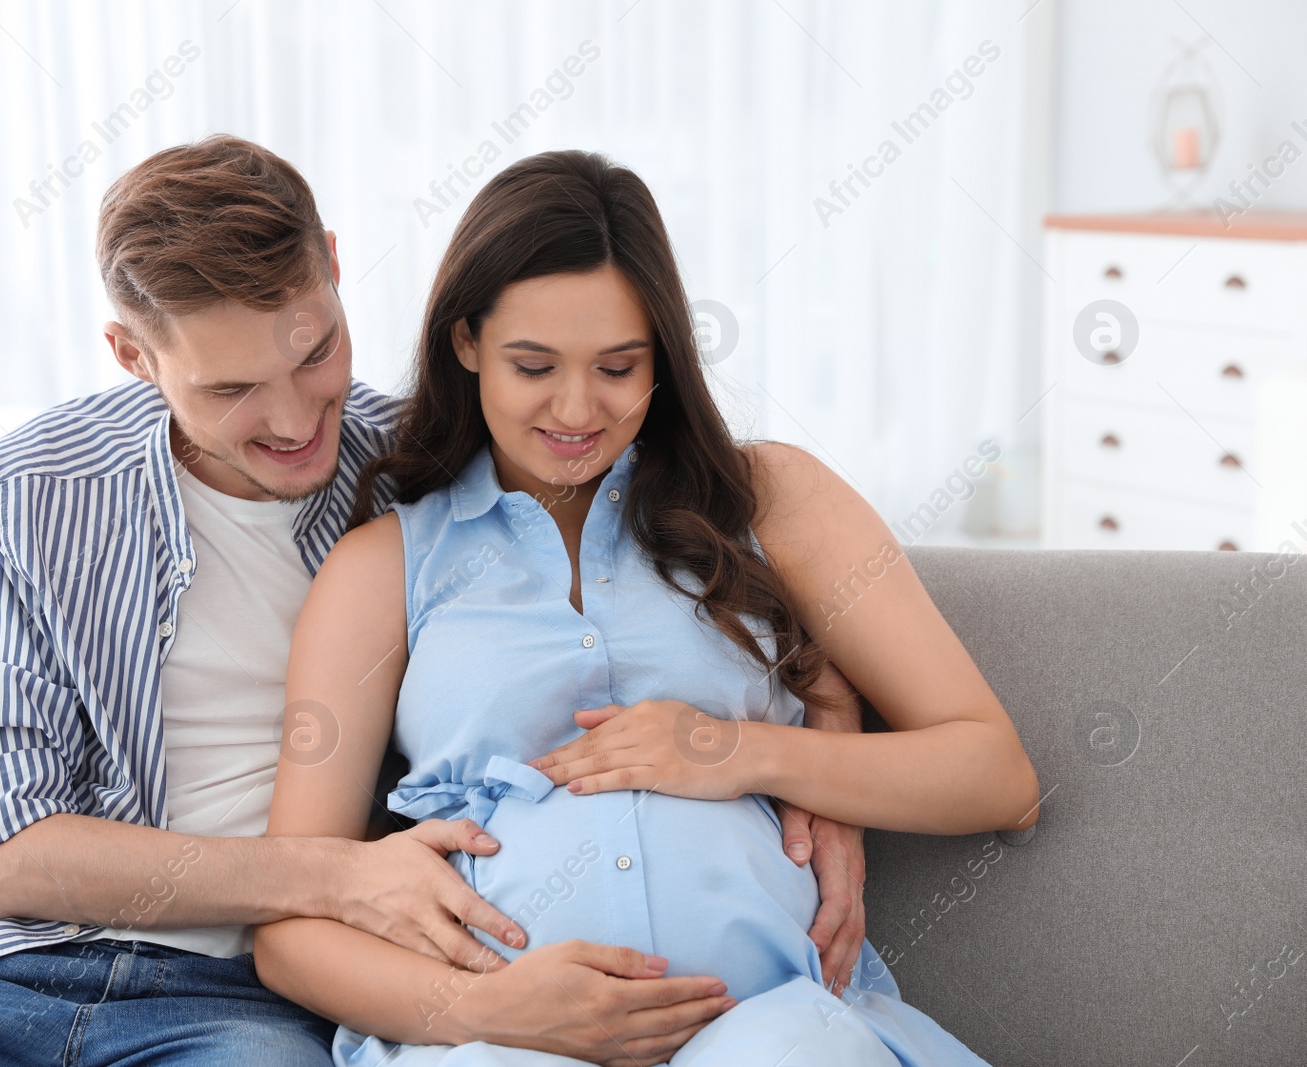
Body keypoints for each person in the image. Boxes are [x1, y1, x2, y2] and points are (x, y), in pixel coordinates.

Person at [0, 136, 865, 1066]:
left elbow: (711, 581)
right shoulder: (35, 492)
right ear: (131, 354)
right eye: (229, 388)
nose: (294, 419)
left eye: (313, 352)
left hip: (244, 1001)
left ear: (330, 260)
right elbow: (7, 855)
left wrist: (826, 788)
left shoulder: (415, 472)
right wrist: (335, 871)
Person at [254, 150, 1040, 1066]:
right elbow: (289, 924)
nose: (577, 408)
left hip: (773, 1022)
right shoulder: (384, 565)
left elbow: (999, 779)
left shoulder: (774, 499)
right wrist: (488, 1008)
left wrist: (735, 750)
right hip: (500, 1040)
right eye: (533, 365)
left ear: (663, 354)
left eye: (618, 367)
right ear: (466, 343)